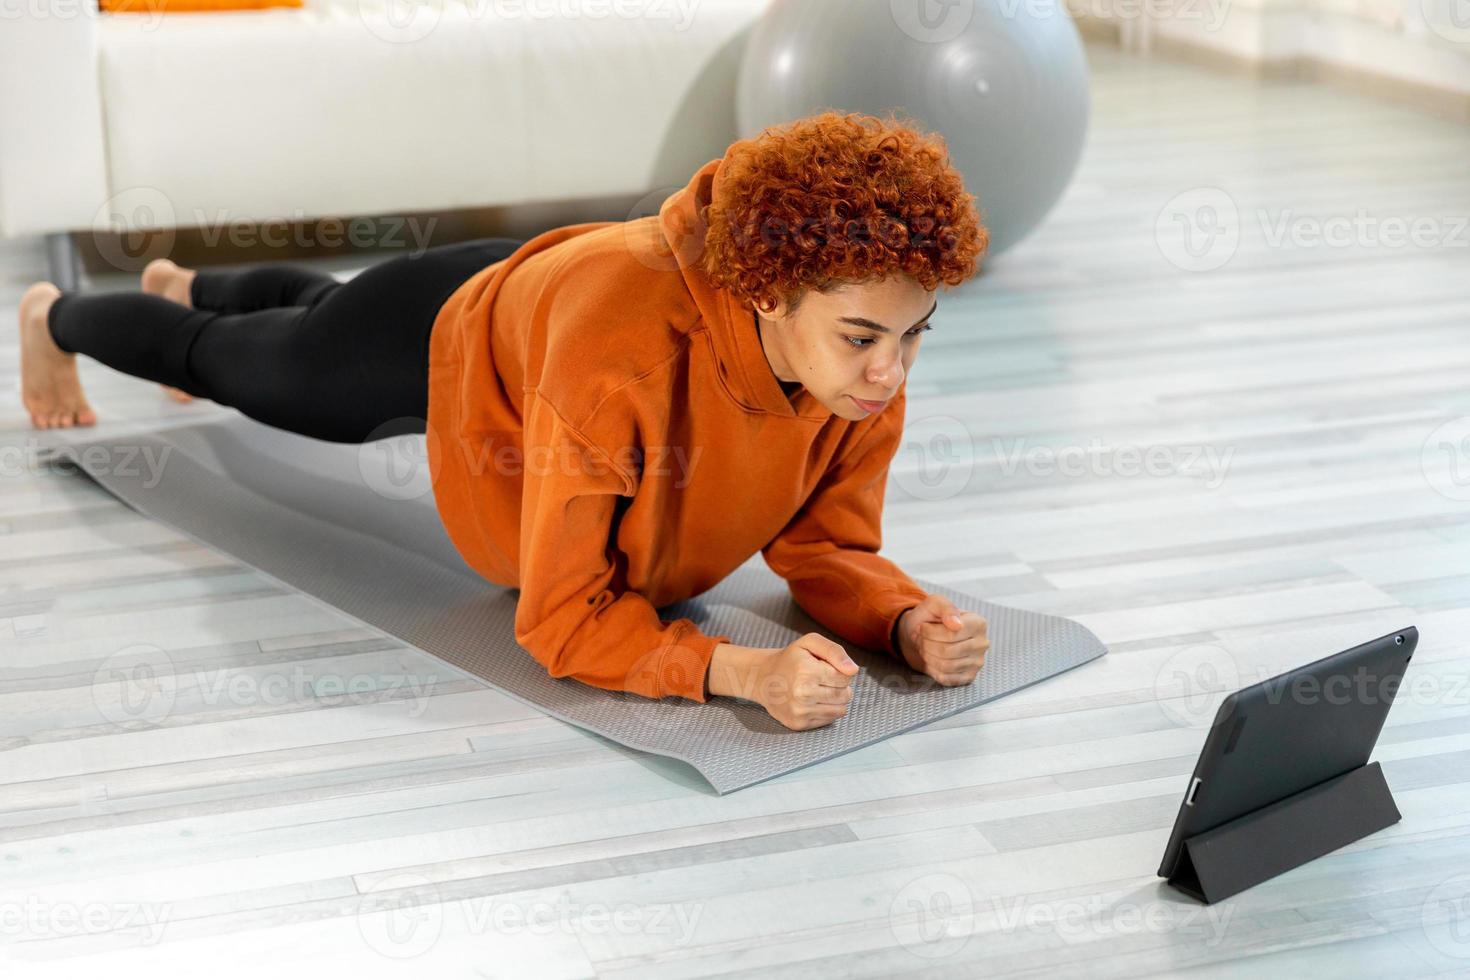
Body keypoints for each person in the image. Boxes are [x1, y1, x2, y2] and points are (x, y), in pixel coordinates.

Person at [15, 110, 992, 731]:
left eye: (914, 335)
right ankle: (54, 316)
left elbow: (827, 539)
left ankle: (188, 282)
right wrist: (739, 671)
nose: (890, 371)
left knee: (320, 314)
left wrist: (901, 619)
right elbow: (561, 616)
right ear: (768, 293)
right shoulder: (619, 371)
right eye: (864, 336)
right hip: (453, 336)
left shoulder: (859, 366)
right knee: (242, 368)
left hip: (541, 290)